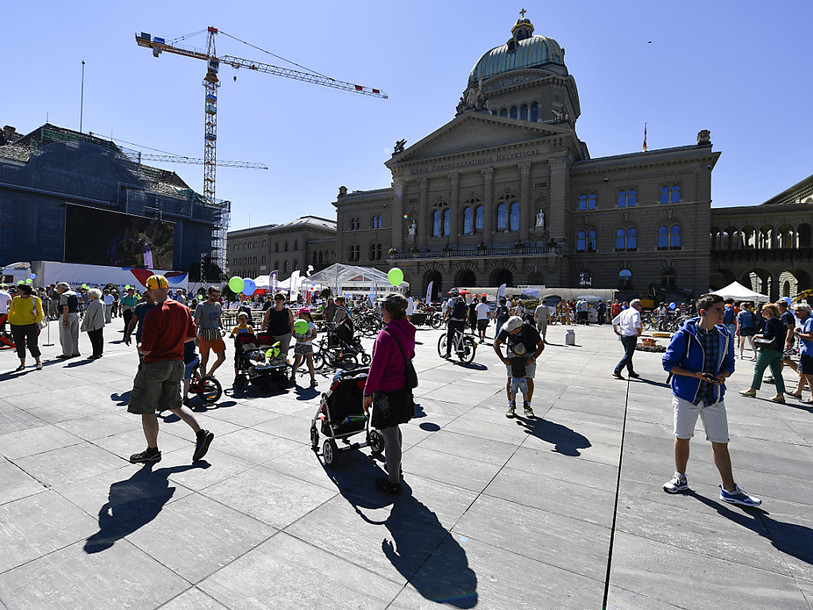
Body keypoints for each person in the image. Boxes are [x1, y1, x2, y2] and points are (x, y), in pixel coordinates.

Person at [661, 293, 761, 507]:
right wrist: (695, 375)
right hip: (687, 395)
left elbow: (729, 364)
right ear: (703, 312)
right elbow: (669, 363)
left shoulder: (724, 335)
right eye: (719, 310)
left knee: (720, 442)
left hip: (714, 396)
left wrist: (723, 376)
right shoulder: (684, 335)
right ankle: (680, 477)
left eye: (723, 310)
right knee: (682, 436)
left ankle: (729, 489)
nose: (723, 314)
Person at [127, 275, 214, 464]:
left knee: (147, 408)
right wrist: (173, 341)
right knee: (175, 404)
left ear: (149, 291)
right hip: (176, 363)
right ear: (167, 289)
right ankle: (201, 433)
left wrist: (139, 346)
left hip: (155, 365)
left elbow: (147, 348)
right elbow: (192, 336)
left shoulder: (154, 313)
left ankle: (152, 451)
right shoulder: (183, 309)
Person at [362, 293, 416, 494]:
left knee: (390, 434)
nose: (381, 311)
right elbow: (410, 354)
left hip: (387, 391)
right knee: (394, 429)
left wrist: (367, 393)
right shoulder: (408, 330)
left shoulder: (386, 335)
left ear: (390, 311)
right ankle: (396, 466)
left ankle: (393, 481)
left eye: (383, 308)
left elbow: (376, 368)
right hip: (403, 388)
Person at [493, 315, 544, 418]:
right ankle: (511, 405)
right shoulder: (507, 328)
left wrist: (532, 359)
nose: (509, 332)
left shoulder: (530, 330)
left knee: (528, 379)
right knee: (511, 379)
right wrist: (503, 359)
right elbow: (496, 343)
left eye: (511, 331)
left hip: (529, 354)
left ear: (519, 328)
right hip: (513, 354)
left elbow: (541, 345)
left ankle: (527, 406)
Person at [739, 304, 786, 402]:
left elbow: (768, 335)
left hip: (768, 349)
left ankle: (753, 389)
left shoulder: (770, 321)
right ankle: (780, 394)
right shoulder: (780, 321)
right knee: (777, 372)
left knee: (758, 369)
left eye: (764, 310)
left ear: (770, 312)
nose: (762, 312)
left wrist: (757, 335)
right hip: (778, 350)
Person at [8, 284, 44, 371]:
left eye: (18, 289)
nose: (16, 291)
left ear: (24, 290)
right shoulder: (16, 299)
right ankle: (22, 363)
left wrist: (37, 321)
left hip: (30, 324)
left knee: (32, 344)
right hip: (16, 324)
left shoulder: (35, 299)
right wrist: (10, 320)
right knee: (19, 344)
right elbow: (12, 310)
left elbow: (40, 311)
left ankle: (38, 361)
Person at [194, 286, 227, 378]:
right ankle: (203, 379)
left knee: (222, 357)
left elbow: (219, 319)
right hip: (204, 335)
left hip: (216, 333)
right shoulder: (201, 306)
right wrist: (195, 337)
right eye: (213, 295)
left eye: (217, 296)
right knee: (204, 360)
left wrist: (223, 328)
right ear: (208, 295)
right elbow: (196, 322)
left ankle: (210, 374)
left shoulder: (218, 305)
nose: (216, 298)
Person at [612, 298, 643, 379]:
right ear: (635, 305)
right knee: (628, 355)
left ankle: (631, 371)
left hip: (623, 335)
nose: (641, 307)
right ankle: (617, 370)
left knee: (628, 354)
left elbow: (614, 321)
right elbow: (636, 323)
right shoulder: (636, 313)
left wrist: (616, 330)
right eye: (640, 305)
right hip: (631, 336)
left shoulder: (624, 311)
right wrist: (639, 332)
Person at [290, 308, 318, 387]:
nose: (299, 316)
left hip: (308, 345)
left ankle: (312, 379)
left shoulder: (311, 325)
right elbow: (293, 333)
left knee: (310, 361)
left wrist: (307, 339)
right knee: (297, 361)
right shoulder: (298, 323)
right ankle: (292, 377)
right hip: (299, 344)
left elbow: (315, 335)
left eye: (300, 315)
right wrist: (298, 338)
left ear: (305, 315)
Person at [125, 290, 157, 358]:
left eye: (151, 296)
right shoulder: (139, 307)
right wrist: (128, 335)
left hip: (155, 338)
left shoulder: (159, 307)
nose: (149, 298)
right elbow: (133, 322)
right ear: (144, 297)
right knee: (142, 358)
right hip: (141, 336)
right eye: (147, 296)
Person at [262, 292, 295, 356]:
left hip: (285, 334)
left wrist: (291, 332)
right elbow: (265, 321)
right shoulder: (270, 310)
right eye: (276, 299)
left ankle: (283, 365)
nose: (278, 300)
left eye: (280, 299)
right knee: (271, 352)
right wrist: (263, 329)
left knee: (283, 353)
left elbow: (291, 322)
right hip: (272, 334)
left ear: (283, 300)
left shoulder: (287, 310)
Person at [792, 303, 813, 403]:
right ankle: (798, 392)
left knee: (809, 376)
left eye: (798, 310)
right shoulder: (805, 321)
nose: (795, 312)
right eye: (795, 310)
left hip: (809, 352)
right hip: (805, 351)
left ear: (806, 312)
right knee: (802, 373)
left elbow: (811, 337)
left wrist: (798, 334)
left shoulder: (810, 321)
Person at [56, 282, 80, 359]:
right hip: (76, 314)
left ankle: (67, 353)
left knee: (65, 335)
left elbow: (65, 308)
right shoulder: (74, 293)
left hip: (67, 315)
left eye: (58, 287)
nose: (57, 289)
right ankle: (75, 351)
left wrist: (65, 320)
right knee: (74, 335)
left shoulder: (64, 295)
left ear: (62, 288)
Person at [80, 288, 106, 359]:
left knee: (94, 340)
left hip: (94, 324)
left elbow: (91, 315)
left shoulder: (94, 303)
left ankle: (96, 353)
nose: (89, 295)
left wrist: (89, 324)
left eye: (90, 294)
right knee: (99, 338)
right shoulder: (101, 302)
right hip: (99, 323)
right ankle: (99, 352)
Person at [444, 291, 468, 358]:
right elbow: (466, 310)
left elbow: (448, 310)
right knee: (460, 336)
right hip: (461, 321)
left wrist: (444, 318)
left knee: (450, 336)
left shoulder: (451, 300)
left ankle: (448, 353)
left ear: (452, 294)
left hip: (453, 320)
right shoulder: (462, 300)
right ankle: (460, 353)